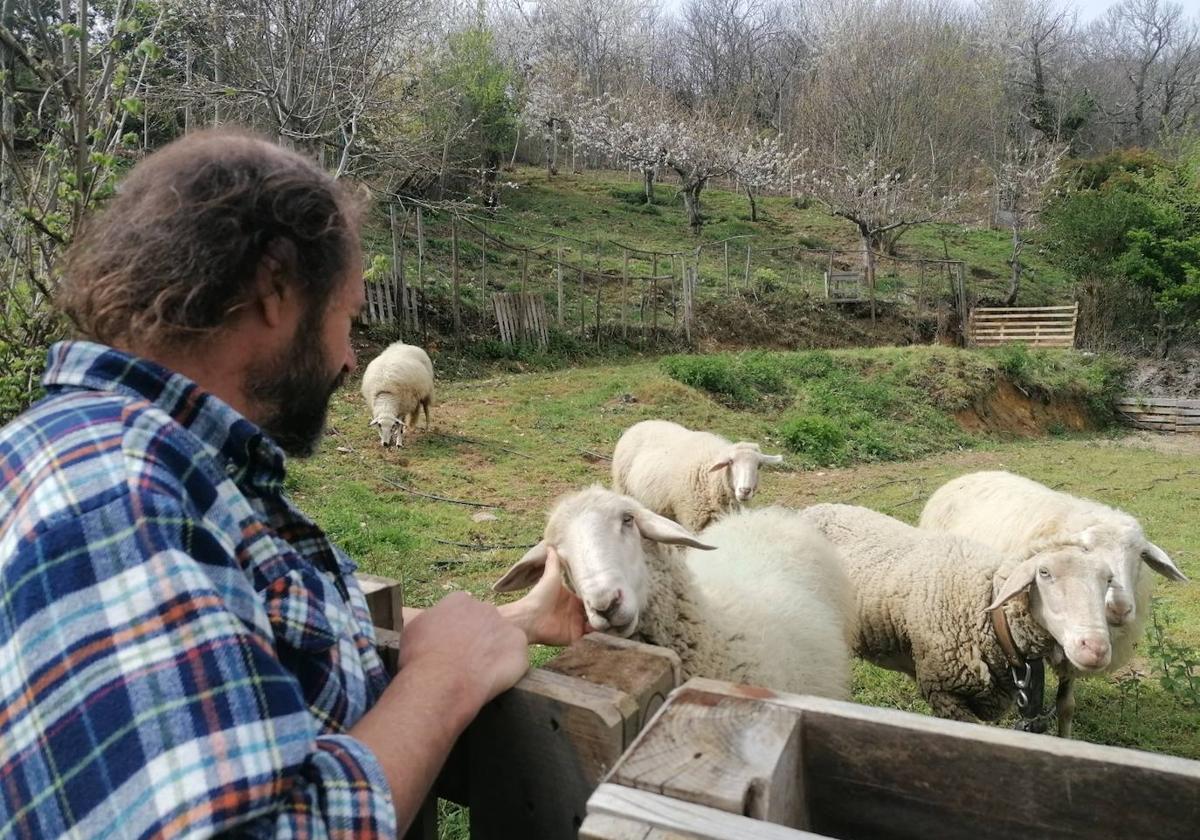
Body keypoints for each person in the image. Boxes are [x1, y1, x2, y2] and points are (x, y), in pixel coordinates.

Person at [0, 130, 587, 838]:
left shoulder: (143, 471)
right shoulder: (115, 498)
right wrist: (445, 685)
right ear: (276, 288)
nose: (348, 358)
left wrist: (508, 624)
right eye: (348, 317)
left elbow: (247, 661)